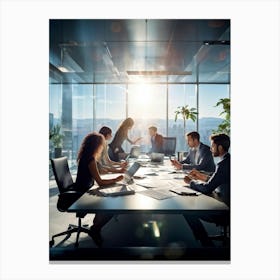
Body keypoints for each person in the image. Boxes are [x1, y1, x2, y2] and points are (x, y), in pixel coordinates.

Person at [75, 132, 124, 245]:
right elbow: (100, 182)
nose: (102, 147)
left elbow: (100, 173)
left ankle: (97, 222)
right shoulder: (91, 160)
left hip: (84, 188)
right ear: (96, 145)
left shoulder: (86, 156)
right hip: (82, 193)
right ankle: (95, 228)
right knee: (113, 205)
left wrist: (115, 174)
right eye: (101, 145)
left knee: (109, 197)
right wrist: (116, 179)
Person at [183, 133, 230, 246]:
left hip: (224, 211)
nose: (210, 148)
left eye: (213, 146)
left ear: (220, 147)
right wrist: (200, 176)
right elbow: (217, 179)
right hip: (226, 202)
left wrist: (191, 182)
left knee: (187, 210)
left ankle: (206, 244)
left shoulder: (223, 164)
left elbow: (207, 188)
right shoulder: (228, 160)